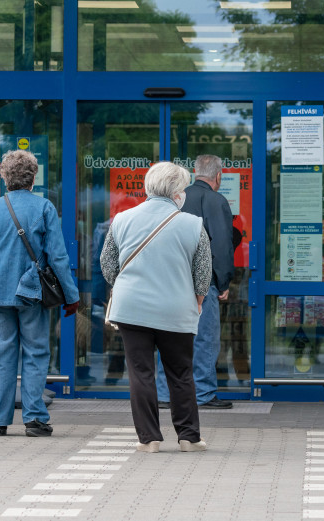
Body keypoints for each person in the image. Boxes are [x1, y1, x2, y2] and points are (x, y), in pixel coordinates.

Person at [100, 161, 212, 453]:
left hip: (132, 309)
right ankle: (189, 437)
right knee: (180, 373)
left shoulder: (122, 219)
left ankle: (149, 439)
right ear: (177, 192)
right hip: (176, 309)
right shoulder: (193, 224)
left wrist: (126, 286)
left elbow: (107, 264)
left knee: (141, 373)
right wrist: (197, 302)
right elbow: (203, 275)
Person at [0, 150, 79, 438]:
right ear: (33, 177)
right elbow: (57, 257)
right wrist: (71, 296)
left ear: (4, 178)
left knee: (3, 354)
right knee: (35, 352)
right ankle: (34, 418)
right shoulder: (44, 207)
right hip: (31, 293)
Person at [156, 155, 234, 410]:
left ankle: (164, 394)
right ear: (218, 176)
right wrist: (223, 282)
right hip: (202, 282)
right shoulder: (216, 200)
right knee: (204, 338)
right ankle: (203, 393)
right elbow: (221, 246)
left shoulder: (175, 199)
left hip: (168, 279)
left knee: (166, 336)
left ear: (194, 172)